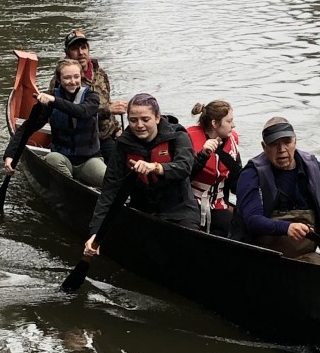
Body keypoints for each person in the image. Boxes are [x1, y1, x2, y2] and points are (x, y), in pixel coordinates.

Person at [230, 117, 320, 261]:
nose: (281, 150)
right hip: (262, 257)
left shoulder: (316, 170)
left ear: (295, 141)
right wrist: (286, 228)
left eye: (287, 142)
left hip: (305, 257)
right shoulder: (251, 174)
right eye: (274, 144)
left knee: (317, 263)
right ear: (264, 147)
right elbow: (253, 220)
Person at [84, 93, 199, 256]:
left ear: (157, 118)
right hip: (143, 210)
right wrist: (96, 232)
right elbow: (110, 191)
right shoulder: (123, 145)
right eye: (133, 120)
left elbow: (185, 167)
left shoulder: (178, 136)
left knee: (187, 249)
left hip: (179, 210)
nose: (139, 125)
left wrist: (156, 167)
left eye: (145, 119)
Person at [4, 58, 105, 187]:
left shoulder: (91, 97)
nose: (73, 82)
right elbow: (27, 128)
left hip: (88, 160)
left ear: (81, 77)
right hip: (62, 158)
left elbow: (82, 112)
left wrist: (54, 100)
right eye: (67, 78)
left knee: (107, 180)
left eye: (76, 77)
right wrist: (10, 155)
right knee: (52, 159)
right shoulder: (49, 100)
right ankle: (71, 187)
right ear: (59, 79)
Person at [59, 30, 127, 162]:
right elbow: (69, 112)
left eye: (83, 47)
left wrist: (117, 130)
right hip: (79, 140)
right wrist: (108, 109)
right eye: (75, 49)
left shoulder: (100, 74)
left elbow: (108, 102)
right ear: (67, 53)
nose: (81, 53)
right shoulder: (63, 80)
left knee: (122, 162)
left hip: (104, 136)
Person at [186, 99, 241, 236]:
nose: (233, 125)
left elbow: (236, 181)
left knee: (234, 227)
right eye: (229, 121)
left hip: (219, 202)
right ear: (215, 123)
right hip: (192, 202)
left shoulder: (232, 140)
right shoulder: (188, 138)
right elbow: (183, 175)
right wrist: (203, 155)